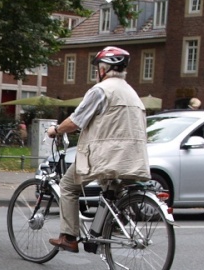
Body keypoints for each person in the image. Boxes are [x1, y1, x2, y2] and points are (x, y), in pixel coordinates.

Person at [47, 46, 150, 253]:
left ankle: (69, 237)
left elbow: (76, 121)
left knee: (68, 186)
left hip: (105, 156)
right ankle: (107, 230)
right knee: (110, 190)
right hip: (133, 158)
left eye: (98, 68)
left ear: (103, 69)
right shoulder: (132, 93)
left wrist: (56, 130)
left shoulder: (101, 91)